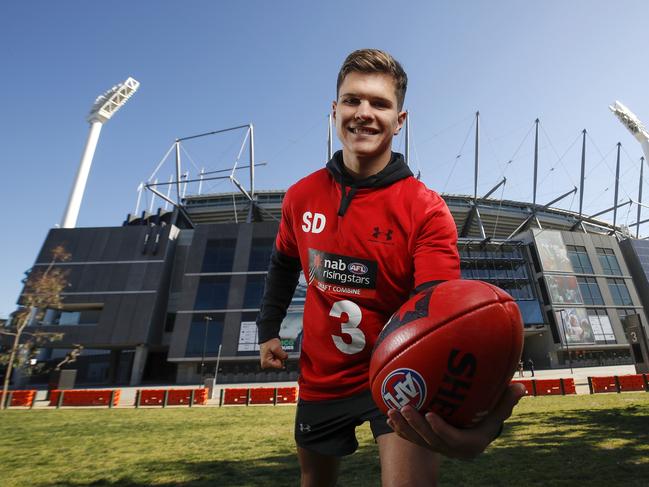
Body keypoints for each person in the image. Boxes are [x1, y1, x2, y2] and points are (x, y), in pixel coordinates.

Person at [256, 48, 525, 487]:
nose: (363, 113)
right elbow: (284, 263)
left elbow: (443, 315)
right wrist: (269, 328)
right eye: (352, 100)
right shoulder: (300, 196)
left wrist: (483, 419)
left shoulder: (425, 209)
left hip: (400, 378)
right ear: (335, 110)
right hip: (321, 378)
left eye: (379, 103)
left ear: (400, 120)